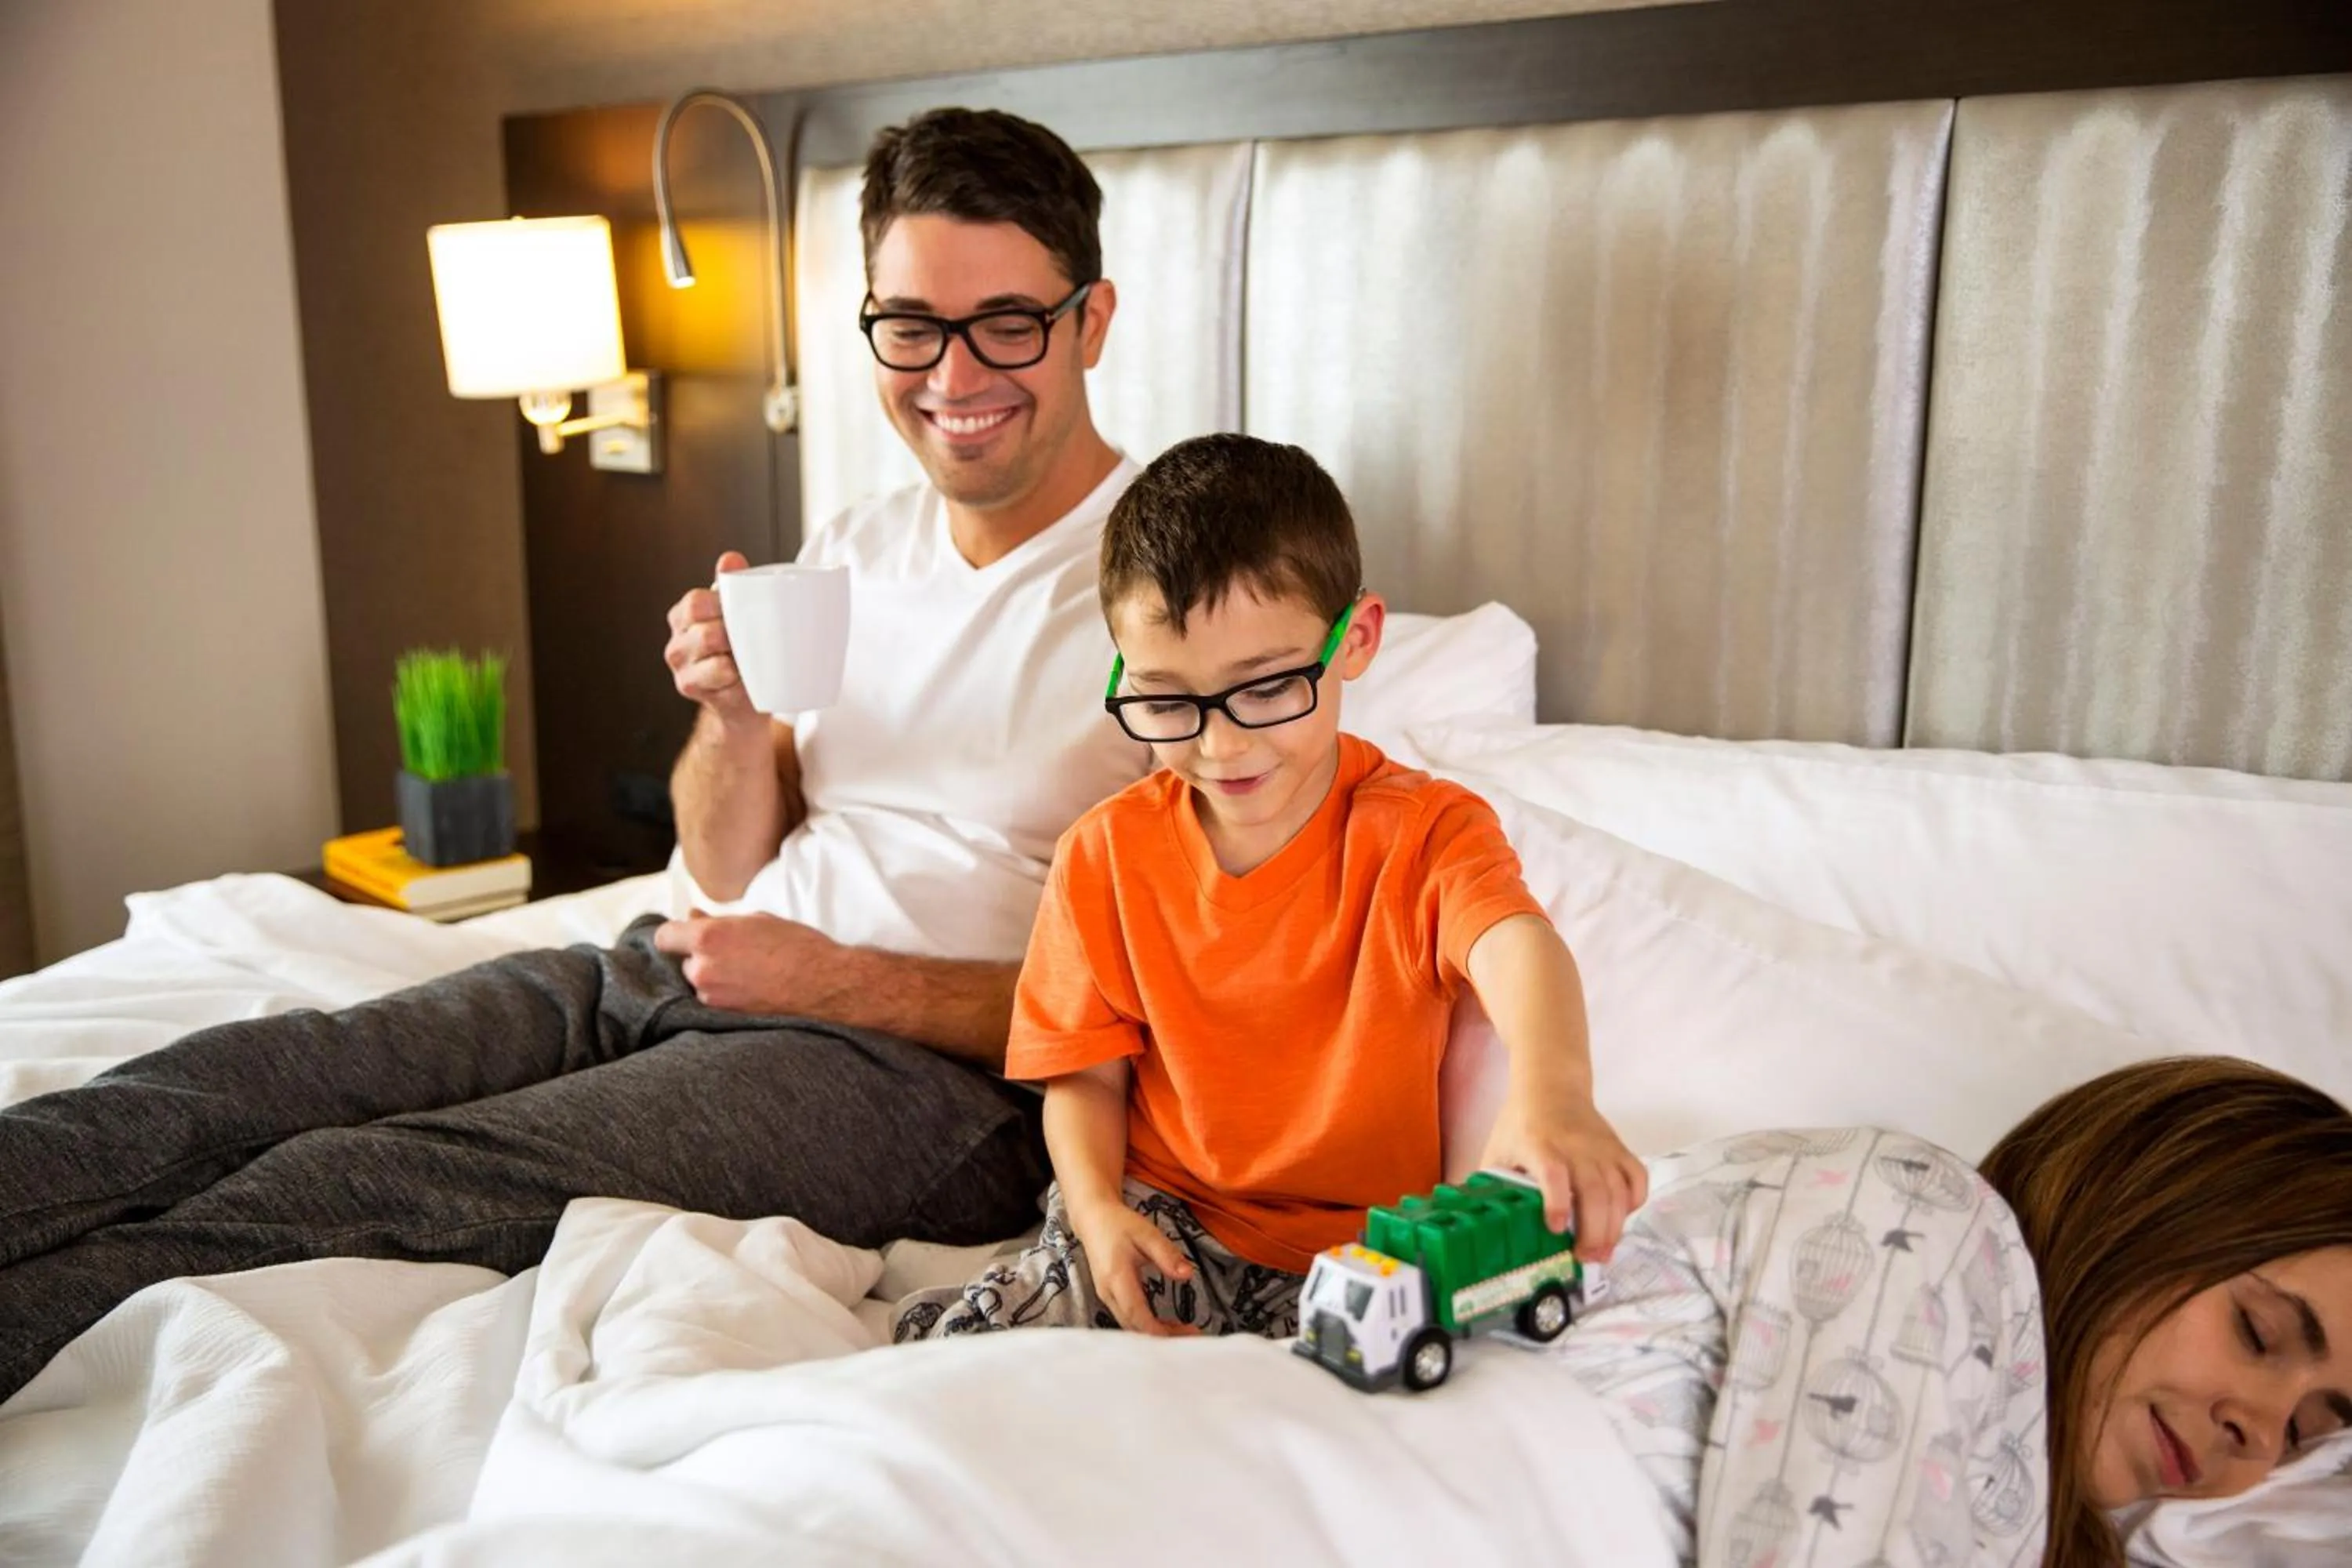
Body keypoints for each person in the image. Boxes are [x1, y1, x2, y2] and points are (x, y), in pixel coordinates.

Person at [0, 106, 1150, 1406]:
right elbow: (724, 855)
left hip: (918, 1083)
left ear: (1091, 321)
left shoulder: (1171, 593)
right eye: (908, 327)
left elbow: (1171, 996)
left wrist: (842, 981)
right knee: (245, 1080)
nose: (952, 377)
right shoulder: (850, 543)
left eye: (1007, 323)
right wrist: (729, 719)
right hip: (682, 964)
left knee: (366, 1182)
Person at [895, 434, 1649, 1343]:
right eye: (1167, 701)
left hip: (1357, 1259)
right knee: (967, 1359)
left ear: (1356, 639)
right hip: (1157, 1222)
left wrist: (1555, 1091)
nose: (1222, 746)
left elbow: (1516, 943)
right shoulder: (1104, 855)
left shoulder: (1422, 832)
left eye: (1264, 689)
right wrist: (1094, 1213)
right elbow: (1086, 1082)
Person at [1515, 1054, 2352, 1568]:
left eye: (2307, 1429)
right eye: (2259, 1331)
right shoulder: (1928, 1215)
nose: (2263, 1430)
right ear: (2142, 1208)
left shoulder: (2022, 1506)